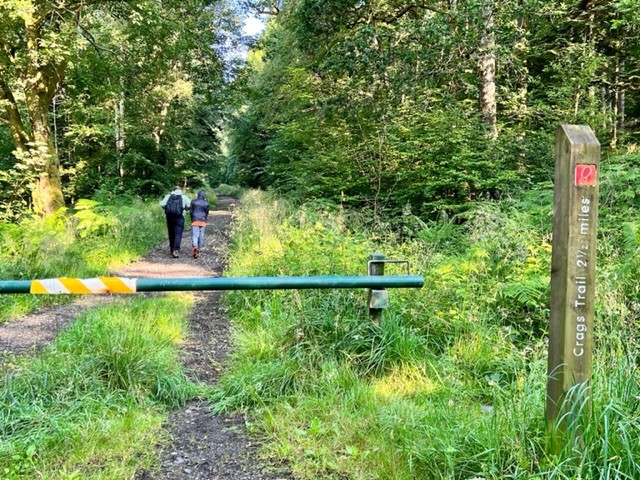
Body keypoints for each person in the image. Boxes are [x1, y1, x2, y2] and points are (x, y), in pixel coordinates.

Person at [160, 186, 191, 258]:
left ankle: (171, 248)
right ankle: (176, 249)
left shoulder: (168, 196)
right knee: (178, 233)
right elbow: (189, 205)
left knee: (171, 232)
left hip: (169, 216)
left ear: (173, 190)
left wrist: (167, 208)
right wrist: (184, 209)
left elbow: (162, 204)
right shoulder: (184, 197)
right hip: (180, 216)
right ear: (180, 190)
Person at [190, 189, 210, 258]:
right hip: (203, 220)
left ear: (198, 195)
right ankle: (199, 249)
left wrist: (192, 219)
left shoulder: (193, 202)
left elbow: (191, 212)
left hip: (195, 220)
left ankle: (195, 246)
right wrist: (205, 219)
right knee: (201, 236)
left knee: (195, 235)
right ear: (204, 195)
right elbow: (207, 212)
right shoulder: (207, 203)